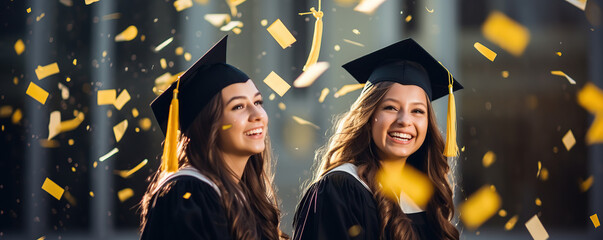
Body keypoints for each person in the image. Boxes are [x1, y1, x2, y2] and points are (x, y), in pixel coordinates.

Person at [293, 38, 463, 240]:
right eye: (390, 107)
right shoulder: (340, 188)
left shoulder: (426, 197)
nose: (404, 120)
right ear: (369, 116)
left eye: (417, 111)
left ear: (428, 124)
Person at [139, 36, 288, 240]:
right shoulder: (188, 193)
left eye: (258, 102)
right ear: (209, 124)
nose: (258, 115)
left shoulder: (246, 197)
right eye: (238, 107)